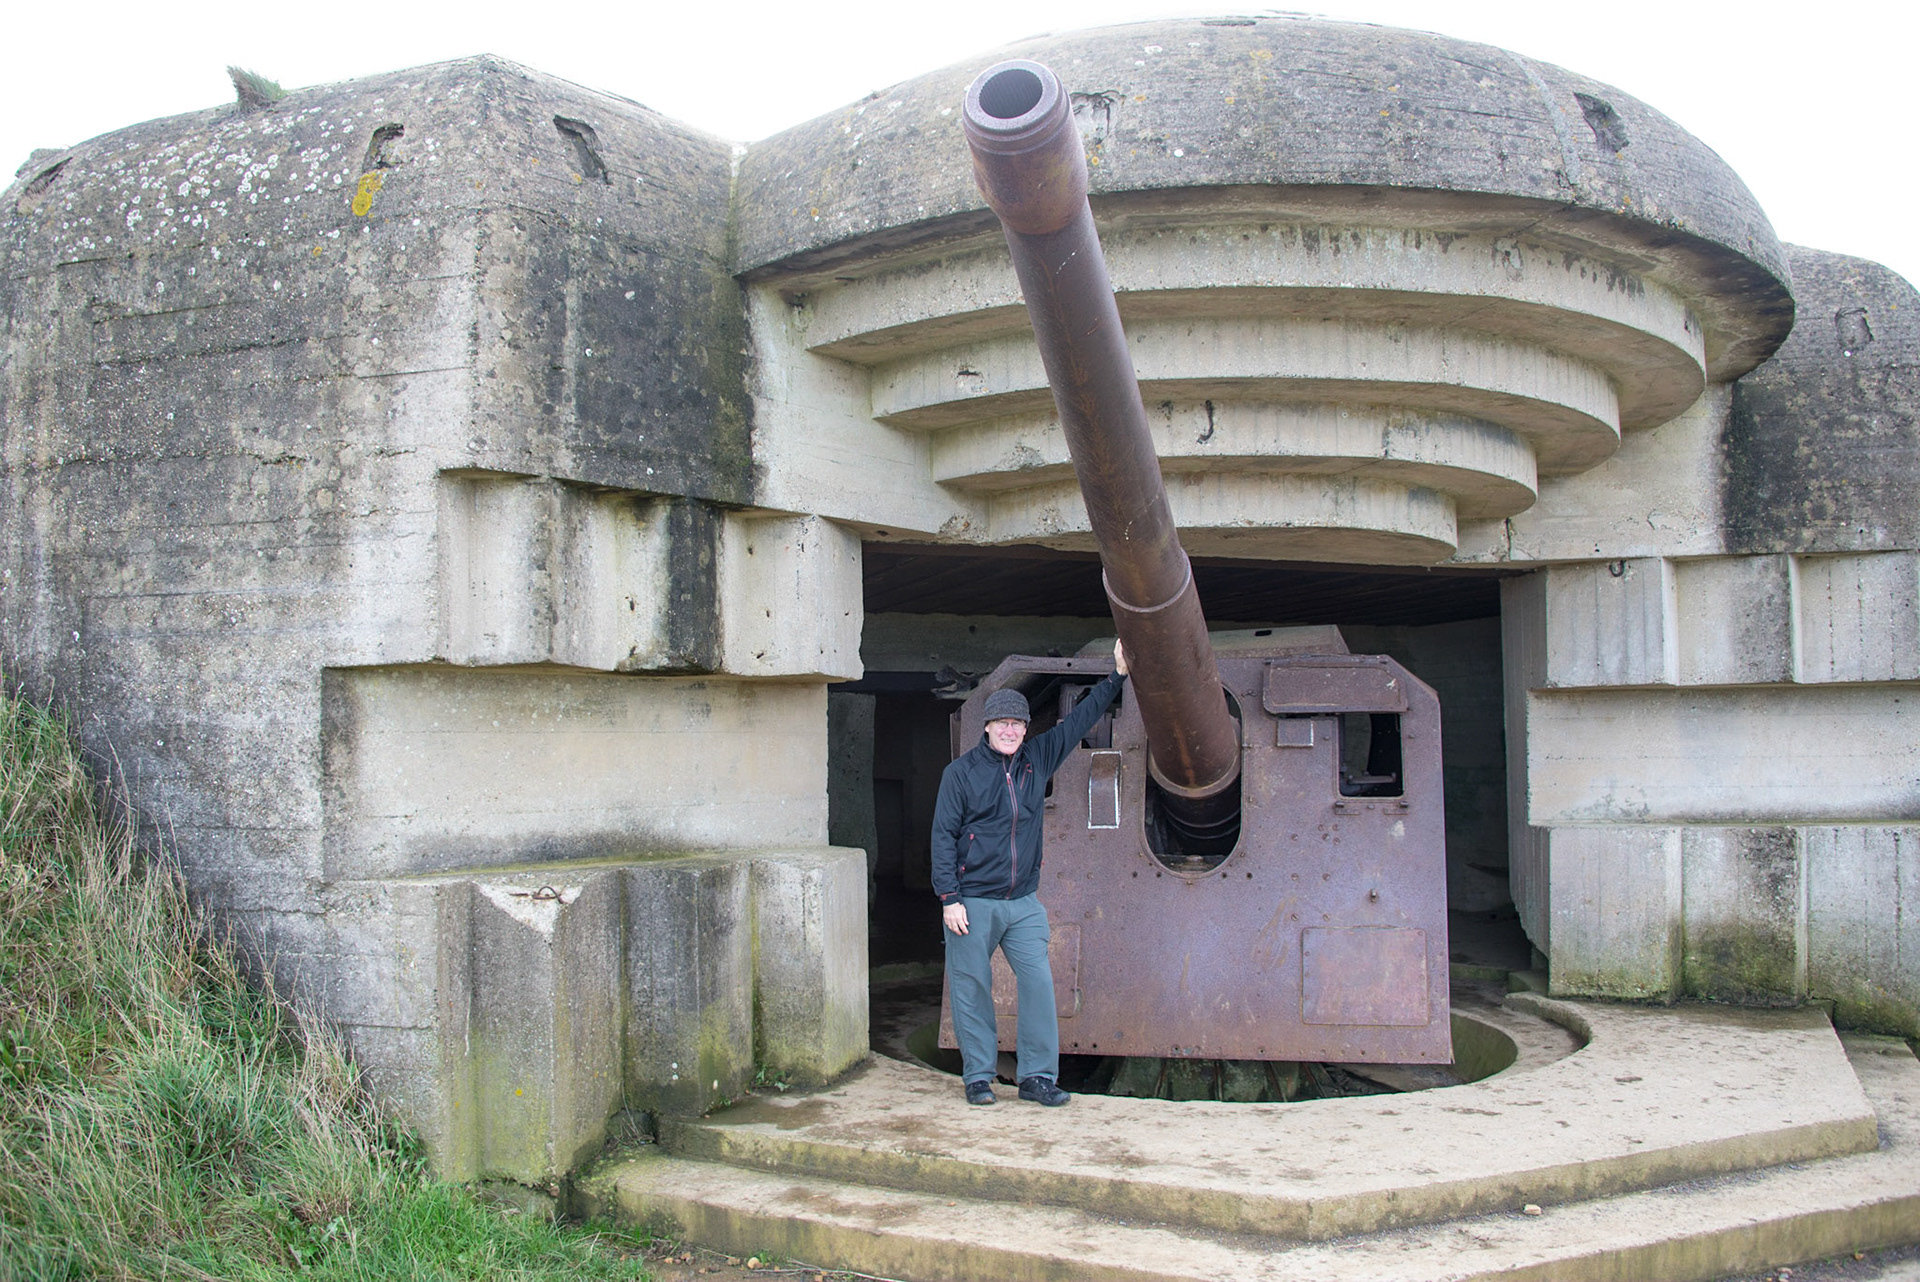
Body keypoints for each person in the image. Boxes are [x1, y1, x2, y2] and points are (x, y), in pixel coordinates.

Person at [931, 639, 1130, 1106]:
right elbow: (942, 837)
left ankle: (1037, 1077)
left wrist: (1117, 676)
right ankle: (979, 1077)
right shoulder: (960, 774)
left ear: (1025, 728)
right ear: (987, 726)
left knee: (1038, 985)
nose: (1010, 730)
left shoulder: (1036, 759)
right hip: (972, 902)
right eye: (1002, 723)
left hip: (1022, 902)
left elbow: (1079, 721)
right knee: (971, 989)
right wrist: (949, 898)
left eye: (1017, 723)